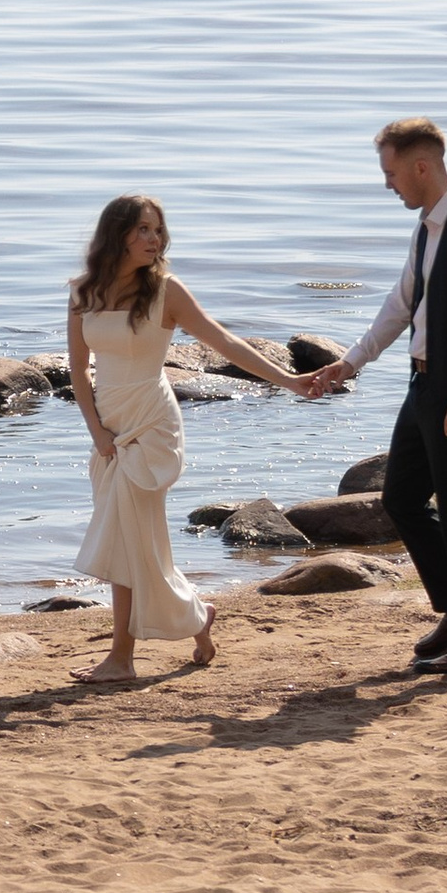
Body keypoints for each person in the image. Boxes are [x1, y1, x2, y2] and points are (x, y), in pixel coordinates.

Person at [298, 119, 447, 679]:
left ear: (422, 167)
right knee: (400, 498)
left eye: (392, 173)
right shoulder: (428, 227)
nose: (388, 184)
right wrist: (350, 362)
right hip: (425, 386)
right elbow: (401, 307)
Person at [67, 195, 304, 688]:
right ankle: (196, 618)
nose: (155, 240)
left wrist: (289, 380)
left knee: (132, 540)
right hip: (109, 428)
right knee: (130, 542)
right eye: (144, 230)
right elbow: (78, 372)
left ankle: (122, 658)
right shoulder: (83, 292)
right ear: (118, 234)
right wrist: (97, 433)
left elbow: (226, 343)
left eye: (158, 230)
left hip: (151, 423)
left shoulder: (166, 291)